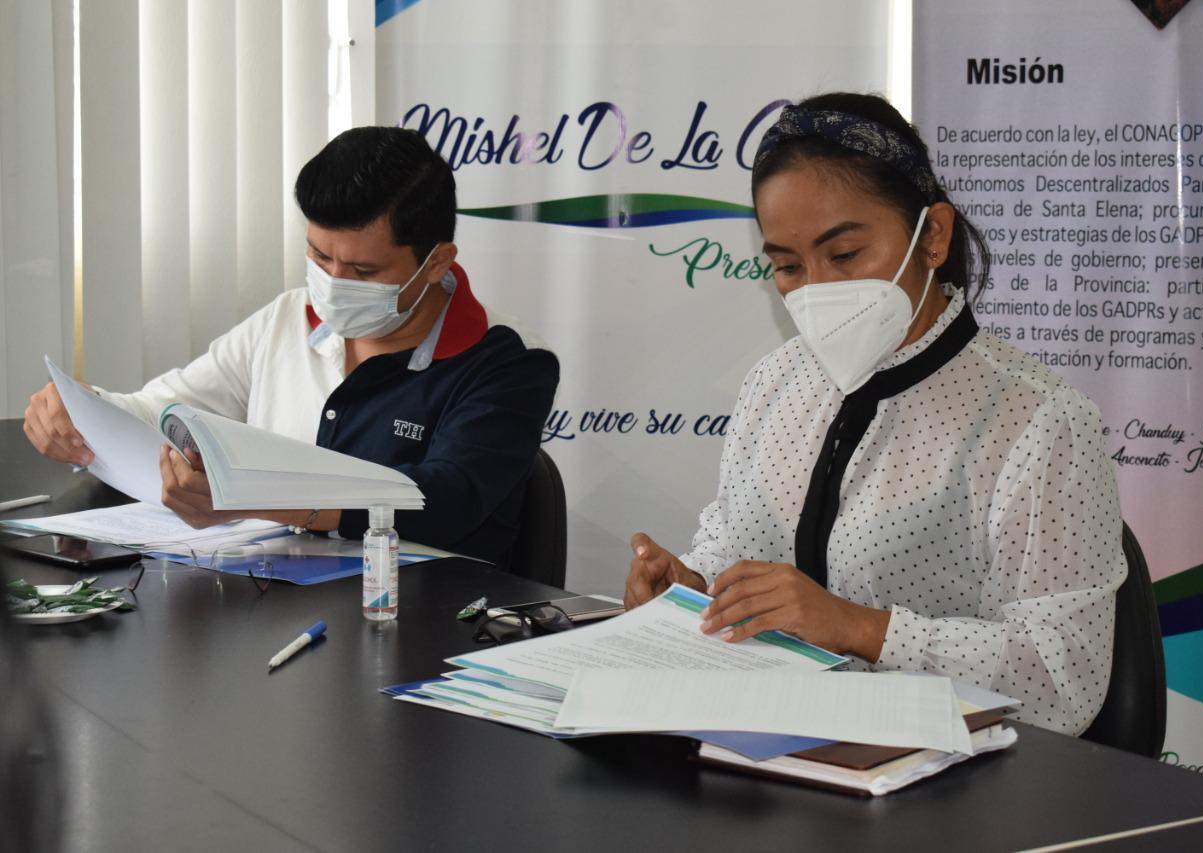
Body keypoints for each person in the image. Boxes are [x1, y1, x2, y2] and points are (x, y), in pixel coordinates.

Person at [624, 93, 1126, 735]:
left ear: (932, 235)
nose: (817, 288)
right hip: (767, 741)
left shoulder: (1039, 420)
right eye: (787, 265)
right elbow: (735, 549)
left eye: (845, 255)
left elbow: (1065, 677)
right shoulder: (773, 382)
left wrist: (859, 628)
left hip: (946, 767)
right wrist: (693, 589)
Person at [22, 127, 558, 571]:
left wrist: (258, 496)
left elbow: (445, 499)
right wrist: (80, 411)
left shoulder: (508, 360)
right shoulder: (287, 318)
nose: (334, 282)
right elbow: (164, 409)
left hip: (427, 618)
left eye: (363, 270)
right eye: (320, 257)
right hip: (272, 602)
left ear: (437, 262)